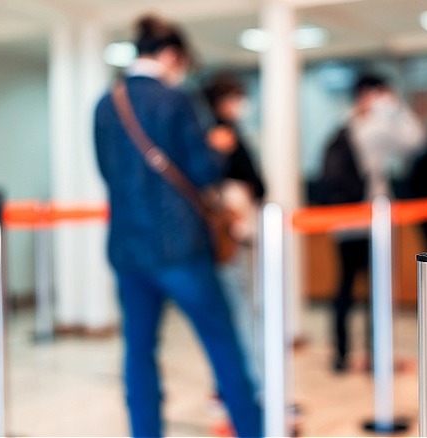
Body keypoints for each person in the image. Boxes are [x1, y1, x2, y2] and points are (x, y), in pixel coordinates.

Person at [93, 15, 261, 437]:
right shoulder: (174, 99)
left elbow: (107, 171)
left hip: (128, 249)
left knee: (139, 353)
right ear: (170, 55)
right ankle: (252, 429)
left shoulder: (105, 103)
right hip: (180, 247)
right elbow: (203, 172)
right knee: (222, 344)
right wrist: (219, 148)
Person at [319, 72, 425, 372]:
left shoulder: (342, 125)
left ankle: (340, 355)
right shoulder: (376, 128)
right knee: (376, 288)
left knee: (345, 285)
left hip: (343, 220)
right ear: (372, 94)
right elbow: (416, 142)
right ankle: (375, 355)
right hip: (371, 217)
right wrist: (396, 109)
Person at [202, 73, 265, 391]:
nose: (241, 104)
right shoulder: (217, 134)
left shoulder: (230, 132)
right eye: (236, 98)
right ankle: (243, 382)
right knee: (237, 309)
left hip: (239, 232)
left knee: (240, 306)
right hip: (229, 235)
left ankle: (239, 381)